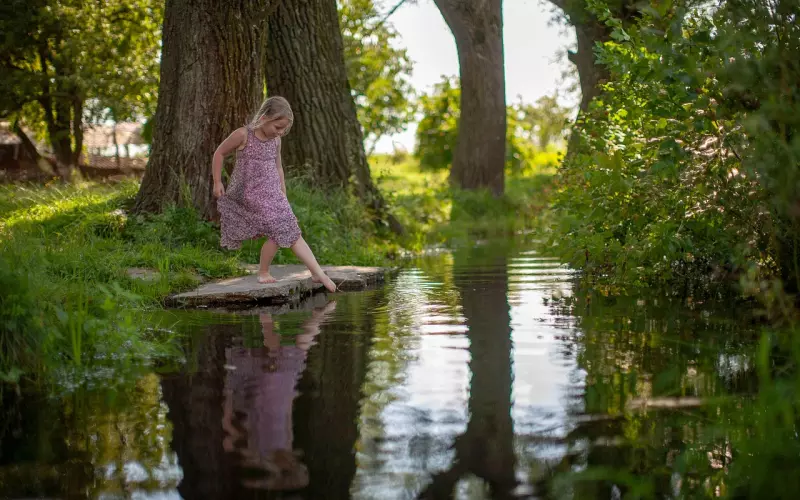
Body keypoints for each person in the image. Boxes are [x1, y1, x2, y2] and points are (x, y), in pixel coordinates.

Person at [212, 96, 336, 292]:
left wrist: (283, 194)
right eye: (277, 127)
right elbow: (219, 153)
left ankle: (315, 272)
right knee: (280, 228)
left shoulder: (276, 141)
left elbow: (278, 168)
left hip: (273, 193)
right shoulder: (244, 135)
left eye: (283, 129)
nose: (280, 132)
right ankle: (266, 272)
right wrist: (217, 181)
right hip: (251, 193)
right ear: (264, 118)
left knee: (290, 229)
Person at [221, 300, 337, 491]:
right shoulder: (285, 445)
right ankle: (316, 315)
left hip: (265, 394)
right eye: (294, 464)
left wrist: (230, 431)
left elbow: (244, 434)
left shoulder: (261, 453)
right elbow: (287, 420)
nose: (292, 461)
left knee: (283, 356)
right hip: (277, 391)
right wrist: (292, 395)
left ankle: (269, 314)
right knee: (292, 353)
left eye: (292, 466)